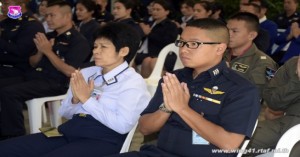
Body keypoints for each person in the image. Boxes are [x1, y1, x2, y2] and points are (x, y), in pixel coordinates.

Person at [107, 18, 261, 157]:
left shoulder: (240, 89)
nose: (184, 49)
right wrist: (166, 108)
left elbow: (229, 144)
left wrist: (182, 108)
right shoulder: (175, 78)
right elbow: (145, 128)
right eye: (182, 43)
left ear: (219, 48)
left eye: (194, 44)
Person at [0, 22, 151, 157]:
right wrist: (75, 100)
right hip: (69, 130)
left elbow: (122, 125)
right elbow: (64, 112)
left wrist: (87, 100)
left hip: (102, 138)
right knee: (5, 149)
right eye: (95, 46)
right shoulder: (87, 73)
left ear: (123, 51)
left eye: (103, 47)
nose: (96, 51)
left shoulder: (133, 82)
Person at [0, 0, 90, 139]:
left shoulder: (78, 41)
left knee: (9, 93)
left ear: (67, 16)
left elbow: (70, 72)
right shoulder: (49, 37)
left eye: (52, 15)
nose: (48, 19)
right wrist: (41, 52)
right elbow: (33, 63)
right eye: (46, 16)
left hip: (56, 82)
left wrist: (48, 52)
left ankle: (13, 136)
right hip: (34, 76)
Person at [246, 56, 300, 156]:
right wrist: (297, 80)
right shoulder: (293, 64)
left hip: (293, 128)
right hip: (284, 123)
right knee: (236, 142)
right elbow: (273, 103)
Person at [224, 12, 277, 98]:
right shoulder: (218, 54)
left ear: (251, 35)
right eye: (227, 30)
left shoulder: (264, 63)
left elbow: (259, 94)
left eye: (234, 31)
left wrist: (227, 73)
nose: (228, 35)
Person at [0, 0, 45, 78]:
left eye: (6, 3)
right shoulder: (7, 21)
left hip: (18, 70)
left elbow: (20, 51)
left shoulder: (32, 25)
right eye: (2, 3)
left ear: (21, 5)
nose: (2, 6)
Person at [135, 0, 178, 78]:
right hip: (143, 51)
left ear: (167, 11)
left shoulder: (170, 25)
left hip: (159, 53)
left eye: (158, 9)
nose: (154, 12)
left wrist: (149, 33)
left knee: (146, 60)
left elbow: (168, 42)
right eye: (153, 9)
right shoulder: (149, 23)